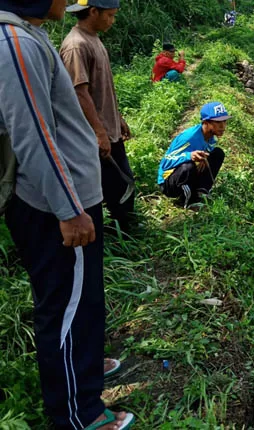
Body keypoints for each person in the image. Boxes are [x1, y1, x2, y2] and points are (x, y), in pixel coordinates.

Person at [0, 0, 134, 428]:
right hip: (55, 204)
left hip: (71, 196)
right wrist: (68, 208)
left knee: (85, 298)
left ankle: (85, 371)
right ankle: (79, 414)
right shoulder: (16, 43)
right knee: (66, 305)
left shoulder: (30, 34)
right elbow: (33, 134)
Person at [60, 0, 136, 233]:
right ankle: (119, 238)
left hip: (108, 130)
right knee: (115, 187)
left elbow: (101, 89)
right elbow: (79, 92)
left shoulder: (93, 38)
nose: (113, 21)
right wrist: (99, 132)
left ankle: (127, 231)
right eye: (110, 15)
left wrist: (118, 117)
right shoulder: (76, 45)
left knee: (123, 182)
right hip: (95, 135)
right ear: (93, 11)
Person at [157, 102, 228, 207]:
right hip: (170, 182)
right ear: (206, 122)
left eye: (225, 121)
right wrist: (189, 156)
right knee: (188, 166)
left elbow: (208, 152)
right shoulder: (188, 138)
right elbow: (166, 162)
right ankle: (189, 202)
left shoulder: (211, 137)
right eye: (218, 123)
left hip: (190, 175)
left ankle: (201, 191)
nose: (223, 126)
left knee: (217, 153)